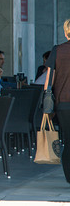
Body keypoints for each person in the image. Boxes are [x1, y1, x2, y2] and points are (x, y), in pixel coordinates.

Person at [44, 19, 70, 183]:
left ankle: (69, 177)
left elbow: (49, 80)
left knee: (67, 140)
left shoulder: (58, 50)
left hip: (64, 104)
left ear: (66, 32)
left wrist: (47, 98)